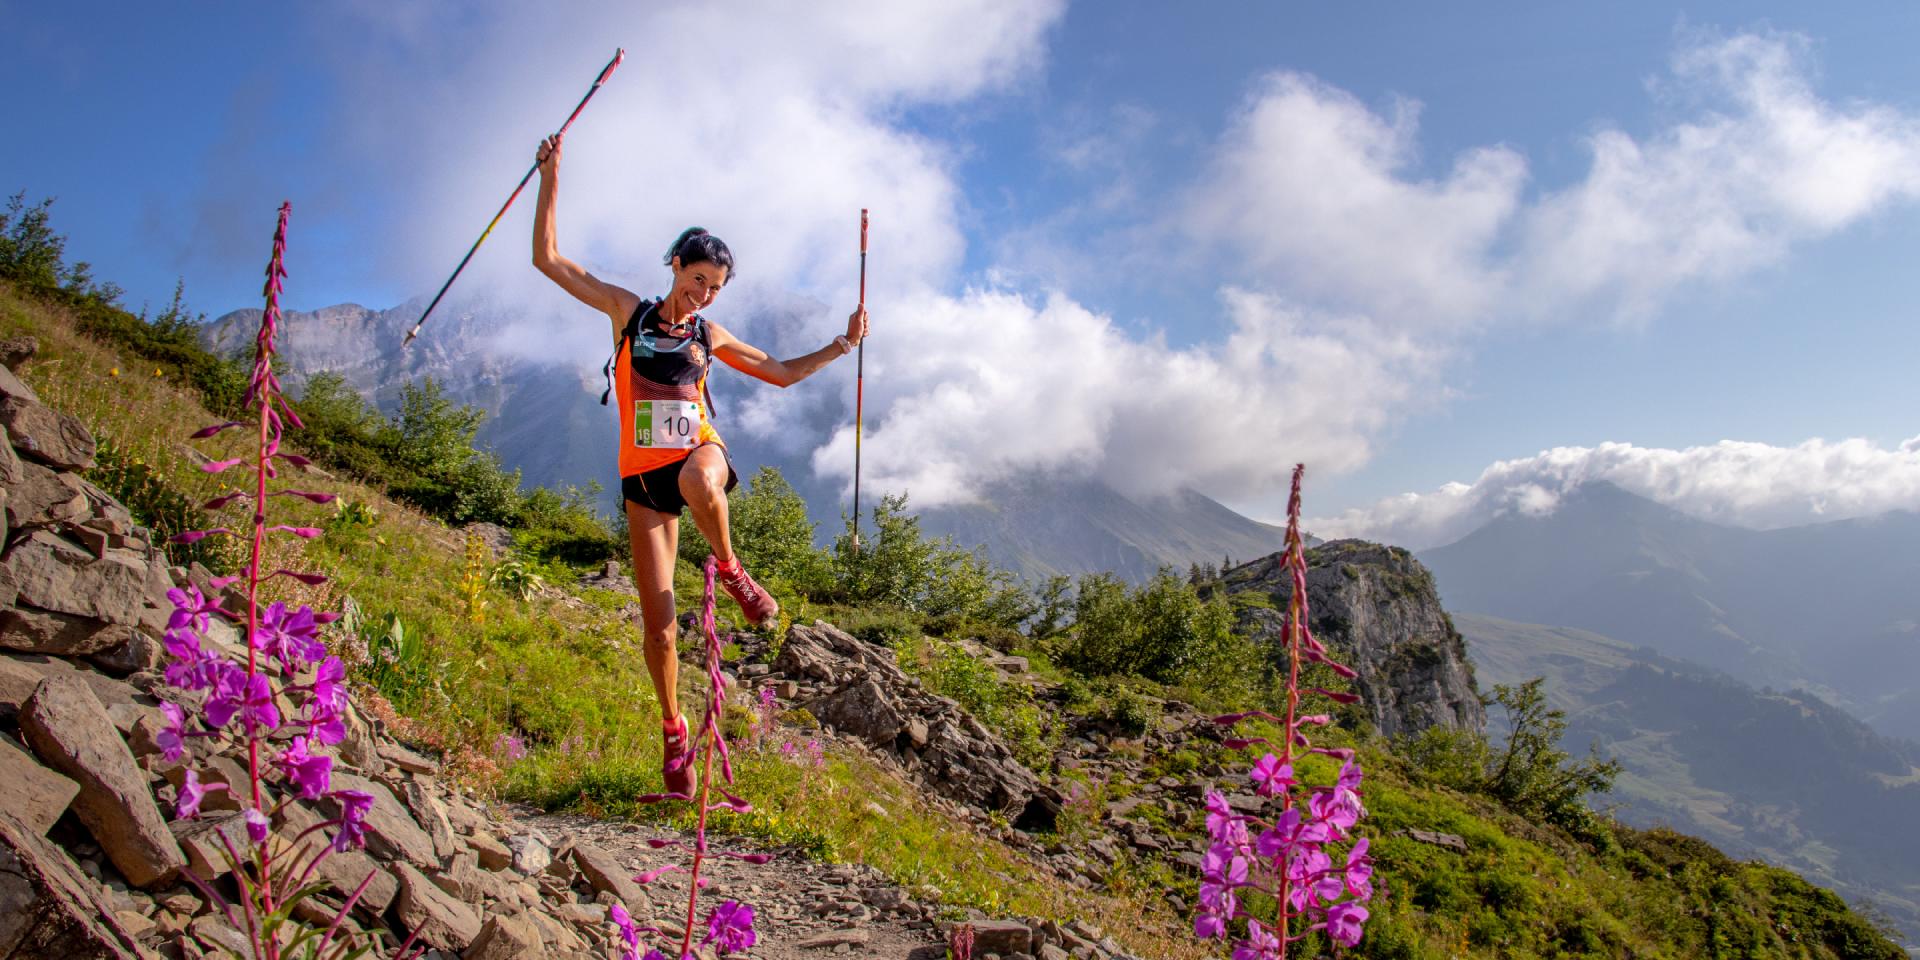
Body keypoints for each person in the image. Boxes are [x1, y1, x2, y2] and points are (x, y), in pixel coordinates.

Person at [531, 133, 867, 795]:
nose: (704, 296)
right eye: (697, 281)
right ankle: (674, 735)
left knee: (695, 474)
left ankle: (734, 570)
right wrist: (552, 175)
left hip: (697, 453)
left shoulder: (709, 336)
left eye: (714, 288)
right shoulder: (627, 312)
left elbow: (779, 372)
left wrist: (840, 344)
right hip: (640, 477)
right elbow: (549, 260)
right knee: (658, 631)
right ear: (676, 267)